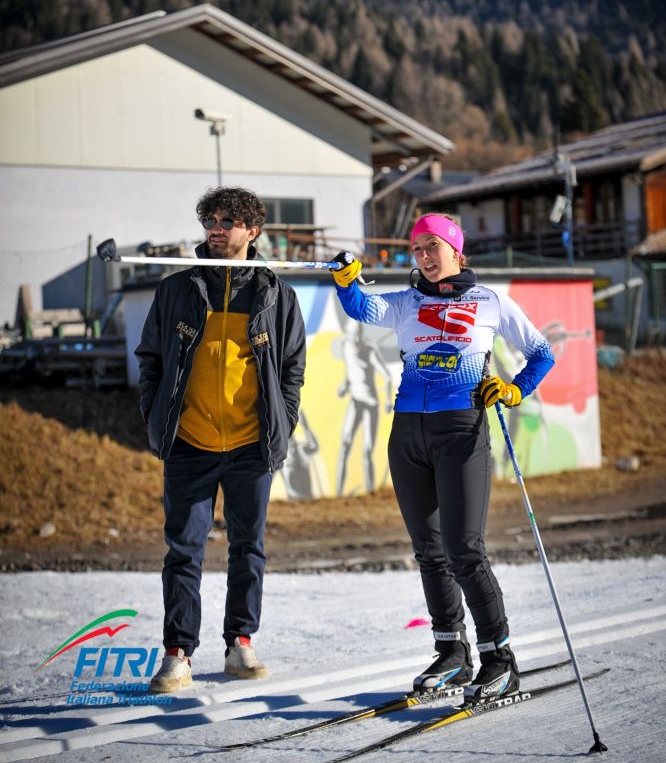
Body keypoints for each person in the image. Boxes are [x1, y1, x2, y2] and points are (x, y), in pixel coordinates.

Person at [330, 214, 554, 701]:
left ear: (456, 250)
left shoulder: (490, 301)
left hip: (461, 430)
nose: (425, 257)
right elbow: (362, 307)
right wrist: (346, 280)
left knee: (465, 550)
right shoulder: (406, 302)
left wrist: (515, 390)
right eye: (418, 249)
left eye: (433, 246)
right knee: (429, 552)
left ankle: (500, 660)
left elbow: (542, 353)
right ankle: (452, 653)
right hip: (408, 432)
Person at [136, 187, 306, 692]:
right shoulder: (178, 289)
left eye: (227, 220)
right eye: (210, 219)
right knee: (183, 551)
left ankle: (240, 643)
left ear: (252, 230)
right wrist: (156, 417)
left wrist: (282, 422)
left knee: (248, 548)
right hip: (190, 443)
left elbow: (292, 369)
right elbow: (151, 359)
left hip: (252, 445)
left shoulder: (276, 294)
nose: (216, 227)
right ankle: (177, 652)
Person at [336, 322, 393, 495]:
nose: (355, 339)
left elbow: (387, 377)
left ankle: (370, 493)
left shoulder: (369, 350)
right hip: (355, 401)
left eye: (358, 334)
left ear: (361, 334)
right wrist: (345, 385)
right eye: (352, 335)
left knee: (367, 450)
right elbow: (351, 371)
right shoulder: (346, 346)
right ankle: (338, 493)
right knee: (345, 445)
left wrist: (388, 400)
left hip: (370, 405)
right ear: (347, 334)